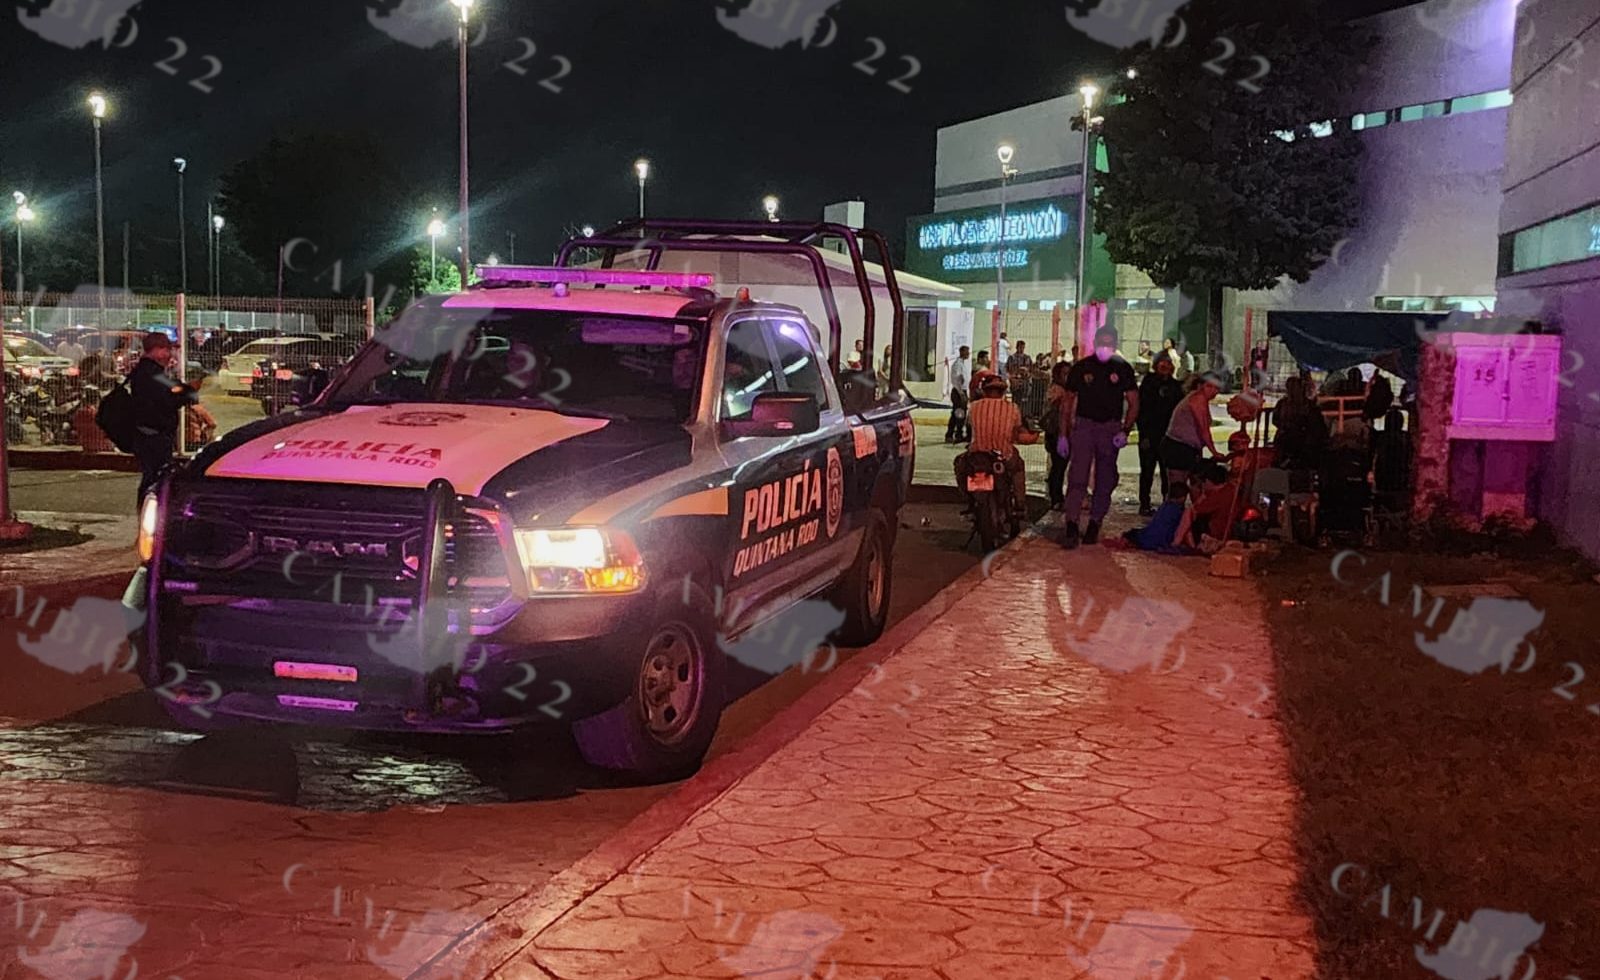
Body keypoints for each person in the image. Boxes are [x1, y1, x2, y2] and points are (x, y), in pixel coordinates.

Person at [1059, 326, 1139, 548]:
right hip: (1084, 426)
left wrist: (1125, 430)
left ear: (1114, 344)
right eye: (1101, 342)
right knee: (1077, 477)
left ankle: (1095, 522)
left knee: (1105, 478)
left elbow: (1134, 402)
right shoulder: (1082, 367)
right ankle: (1072, 524)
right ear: (1094, 343)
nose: (1105, 346)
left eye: (1108, 342)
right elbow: (1067, 403)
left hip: (1110, 428)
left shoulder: (1122, 368)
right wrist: (1063, 435)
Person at [128, 332, 199, 507]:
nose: (170, 354)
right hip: (153, 435)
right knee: (155, 478)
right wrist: (189, 391)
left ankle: (148, 510)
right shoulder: (151, 373)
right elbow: (170, 397)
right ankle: (149, 512)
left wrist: (184, 390)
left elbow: (172, 390)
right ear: (156, 350)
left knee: (153, 476)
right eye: (167, 350)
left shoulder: (148, 372)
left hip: (149, 433)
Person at [965, 374, 1034, 509]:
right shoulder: (1013, 408)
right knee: (1018, 468)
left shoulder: (973, 407)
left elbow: (970, 427)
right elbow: (1016, 433)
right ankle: (1020, 504)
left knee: (962, 467)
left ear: (984, 391)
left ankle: (970, 502)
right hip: (1004, 456)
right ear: (1003, 392)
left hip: (978, 455)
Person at [1135, 354, 1184, 516]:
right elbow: (1141, 411)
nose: (1165, 367)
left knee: (1167, 472)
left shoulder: (1175, 387)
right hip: (1150, 434)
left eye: (1168, 364)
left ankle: (1167, 502)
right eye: (1162, 364)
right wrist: (1144, 435)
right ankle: (1144, 503)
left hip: (1168, 435)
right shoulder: (1148, 383)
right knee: (1147, 471)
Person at [1161, 371, 1221, 494]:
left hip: (1190, 448)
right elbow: (1203, 429)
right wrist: (1214, 451)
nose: (1213, 391)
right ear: (1200, 385)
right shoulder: (1197, 399)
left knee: (1196, 485)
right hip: (1178, 447)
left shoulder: (1200, 400)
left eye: (1216, 388)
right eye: (1209, 386)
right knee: (1178, 488)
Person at [1272, 375, 1328, 472]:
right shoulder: (1285, 404)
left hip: (1299, 441)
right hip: (1296, 441)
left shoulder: (1308, 406)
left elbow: (1275, 420)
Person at [1043, 361, 1072, 509]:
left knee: (1059, 466)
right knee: (1058, 466)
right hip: (1056, 432)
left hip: (1061, 432)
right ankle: (1056, 497)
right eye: (1065, 374)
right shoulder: (1057, 390)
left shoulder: (1063, 390)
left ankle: (1057, 496)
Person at [184, 370, 219, 447]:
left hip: (178, 441)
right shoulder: (197, 409)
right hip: (194, 441)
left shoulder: (179, 408)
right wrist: (204, 433)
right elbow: (212, 424)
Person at [946, 345, 972, 444]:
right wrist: (961, 393)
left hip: (962, 391)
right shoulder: (957, 365)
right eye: (966, 351)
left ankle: (953, 434)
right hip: (958, 392)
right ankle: (957, 434)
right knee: (959, 414)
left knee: (957, 413)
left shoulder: (962, 364)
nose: (968, 354)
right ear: (961, 352)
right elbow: (958, 380)